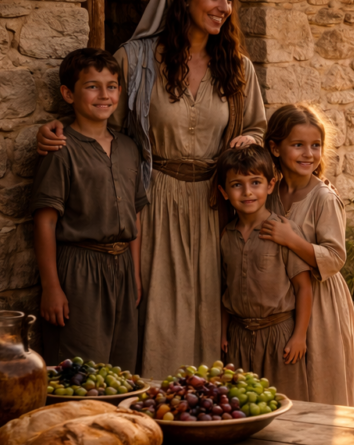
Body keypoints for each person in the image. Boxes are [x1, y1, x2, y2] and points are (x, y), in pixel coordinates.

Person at [35, 0, 267, 378]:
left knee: (207, 306)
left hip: (213, 206)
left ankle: (198, 408)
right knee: (154, 309)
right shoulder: (136, 59)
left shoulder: (238, 67)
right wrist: (51, 129)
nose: (224, 6)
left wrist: (248, 140)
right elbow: (101, 121)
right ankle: (151, 407)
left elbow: (257, 126)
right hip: (152, 201)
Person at [31, 48, 148, 372]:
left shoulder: (127, 147)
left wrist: (135, 274)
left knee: (121, 369)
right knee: (80, 370)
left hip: (122, 267)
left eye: (111, 86)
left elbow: (136, 216)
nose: (104, 95)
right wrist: (52, 286)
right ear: (68, 94)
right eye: (92, 86)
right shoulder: (60, 148)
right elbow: (45, 221)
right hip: (80, 269)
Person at [260, 104, 354, 408]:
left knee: (321, 380)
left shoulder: (324, 198)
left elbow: (335, 257)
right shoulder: (269, 192)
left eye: (316, 145)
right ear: (275, 148)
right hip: (281, 302)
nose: (308, 153)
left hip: (321, 305)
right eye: (298, 145)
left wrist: (293, 240)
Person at [216, 146, 312, 402]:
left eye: (255, 182)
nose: (247, 192)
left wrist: (299, 336)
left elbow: (304, 286)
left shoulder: (283, 230)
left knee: (286, 404)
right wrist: (224, 332)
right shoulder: (226, 236)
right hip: (238, 336)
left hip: (279, 336)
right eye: (237, 185)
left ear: (270, 185)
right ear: (224, 192)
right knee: (241, 404)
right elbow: (226, 288)